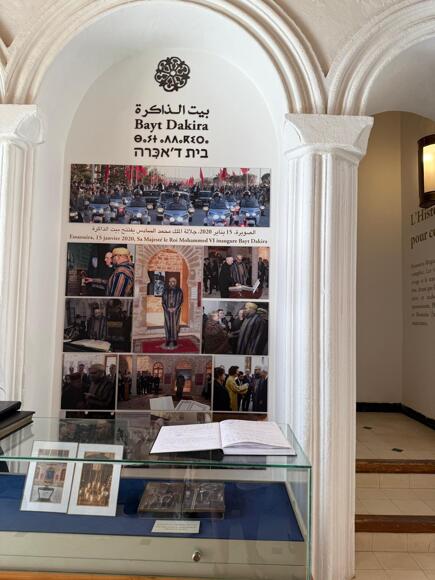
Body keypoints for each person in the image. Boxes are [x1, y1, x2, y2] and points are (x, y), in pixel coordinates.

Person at [162, 276, 183, 349]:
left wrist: (175, 308)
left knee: (175, 325)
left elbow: (181, 301)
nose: (171, 283)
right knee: (167, 324)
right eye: (170, 281)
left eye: (173, 281)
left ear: (175, 282)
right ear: (169, 283)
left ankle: (174, 340)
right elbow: (163, 301)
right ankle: (168, 339)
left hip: (176, 311)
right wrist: (167, 308)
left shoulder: (179, 291)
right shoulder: (165, 290)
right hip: (167, 311)